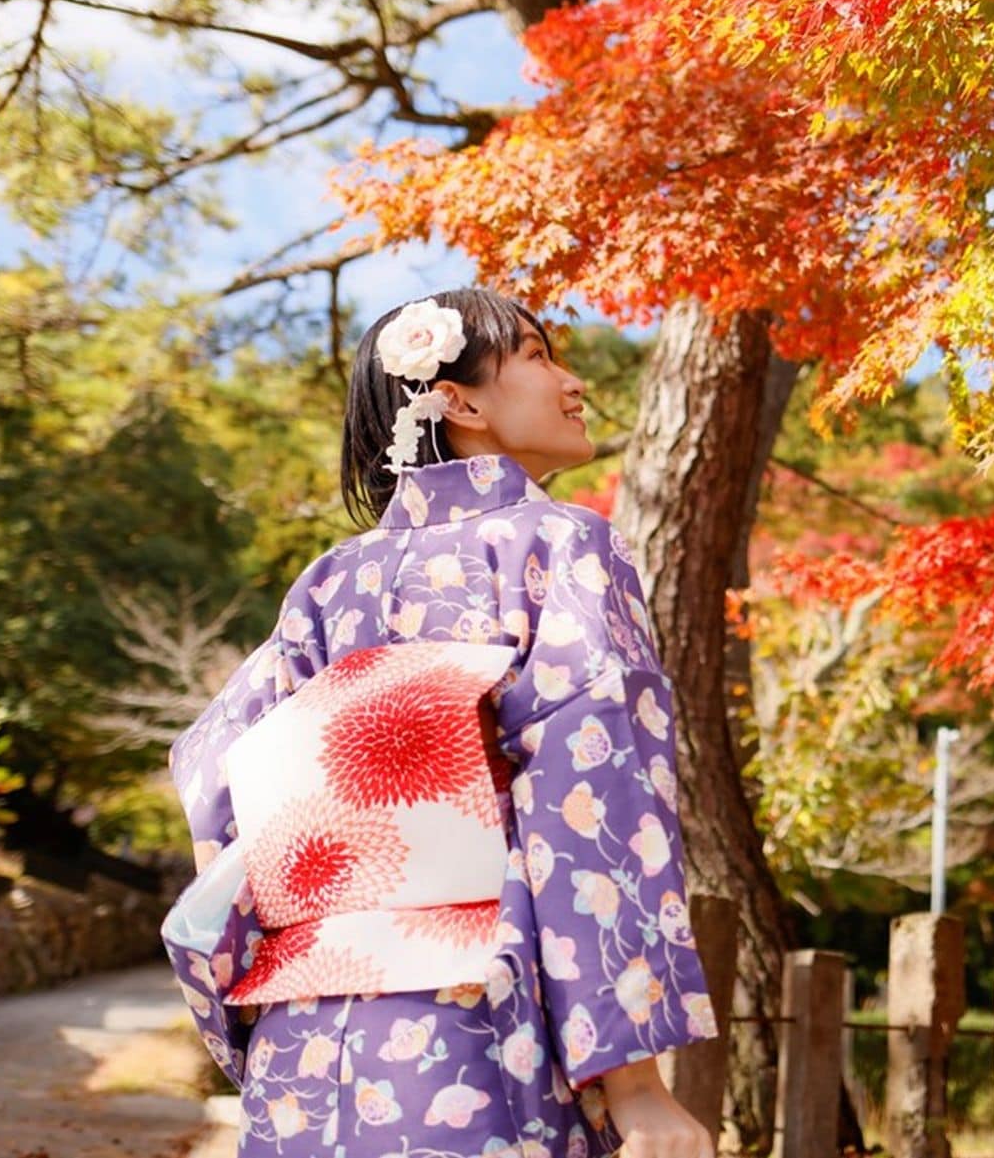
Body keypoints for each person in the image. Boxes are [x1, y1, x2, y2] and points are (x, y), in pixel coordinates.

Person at [164, 288, 717, 1158]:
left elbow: (215, 772)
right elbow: (594, 786)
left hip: (303, 1033)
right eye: (537, 356)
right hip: (477, 1015)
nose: (573, 382)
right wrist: (637, 1081)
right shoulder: (562, 543)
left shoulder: (326, 581)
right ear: (458, 402)